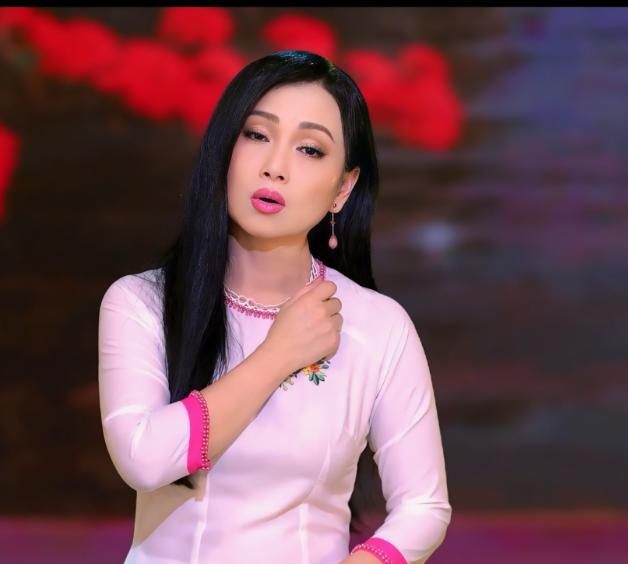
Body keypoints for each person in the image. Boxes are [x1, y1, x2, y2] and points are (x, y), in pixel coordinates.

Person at [98, 50, 450, 564]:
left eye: (309, 149)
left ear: (343, 188)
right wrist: (278, 354)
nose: (275, 167)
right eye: (257, 135)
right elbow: (144, 460)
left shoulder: (378, 326)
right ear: (225, 150)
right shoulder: (141, 303)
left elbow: (423, 506)